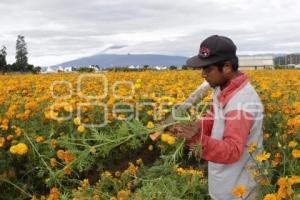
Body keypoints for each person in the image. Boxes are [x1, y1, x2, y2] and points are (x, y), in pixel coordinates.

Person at [170, 35, 264, 200]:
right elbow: (213, 118)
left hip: (238, 190)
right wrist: (195, 127)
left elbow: (232, 151)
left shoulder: (241, 104)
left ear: (226, 67)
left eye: (208, 69)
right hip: (224, 180)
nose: (203, 74)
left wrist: (197, 140)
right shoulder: (222, 89)